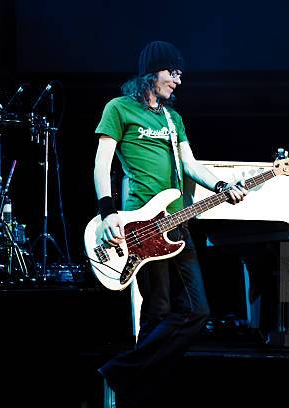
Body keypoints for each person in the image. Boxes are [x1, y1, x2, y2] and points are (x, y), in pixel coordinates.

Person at [93, 40, 247, 406]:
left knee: (195, 311)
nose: (178, 81)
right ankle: (140, 390)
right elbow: (102, 164)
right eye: (172, 73)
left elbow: (190, 164)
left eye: (180, 75)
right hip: (139, 225)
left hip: (178, 220)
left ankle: (121, 373)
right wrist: (106, 213)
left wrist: (222, 185)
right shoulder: (119, 108)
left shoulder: (172, 118)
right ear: (152, 72)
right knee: (158, 311)